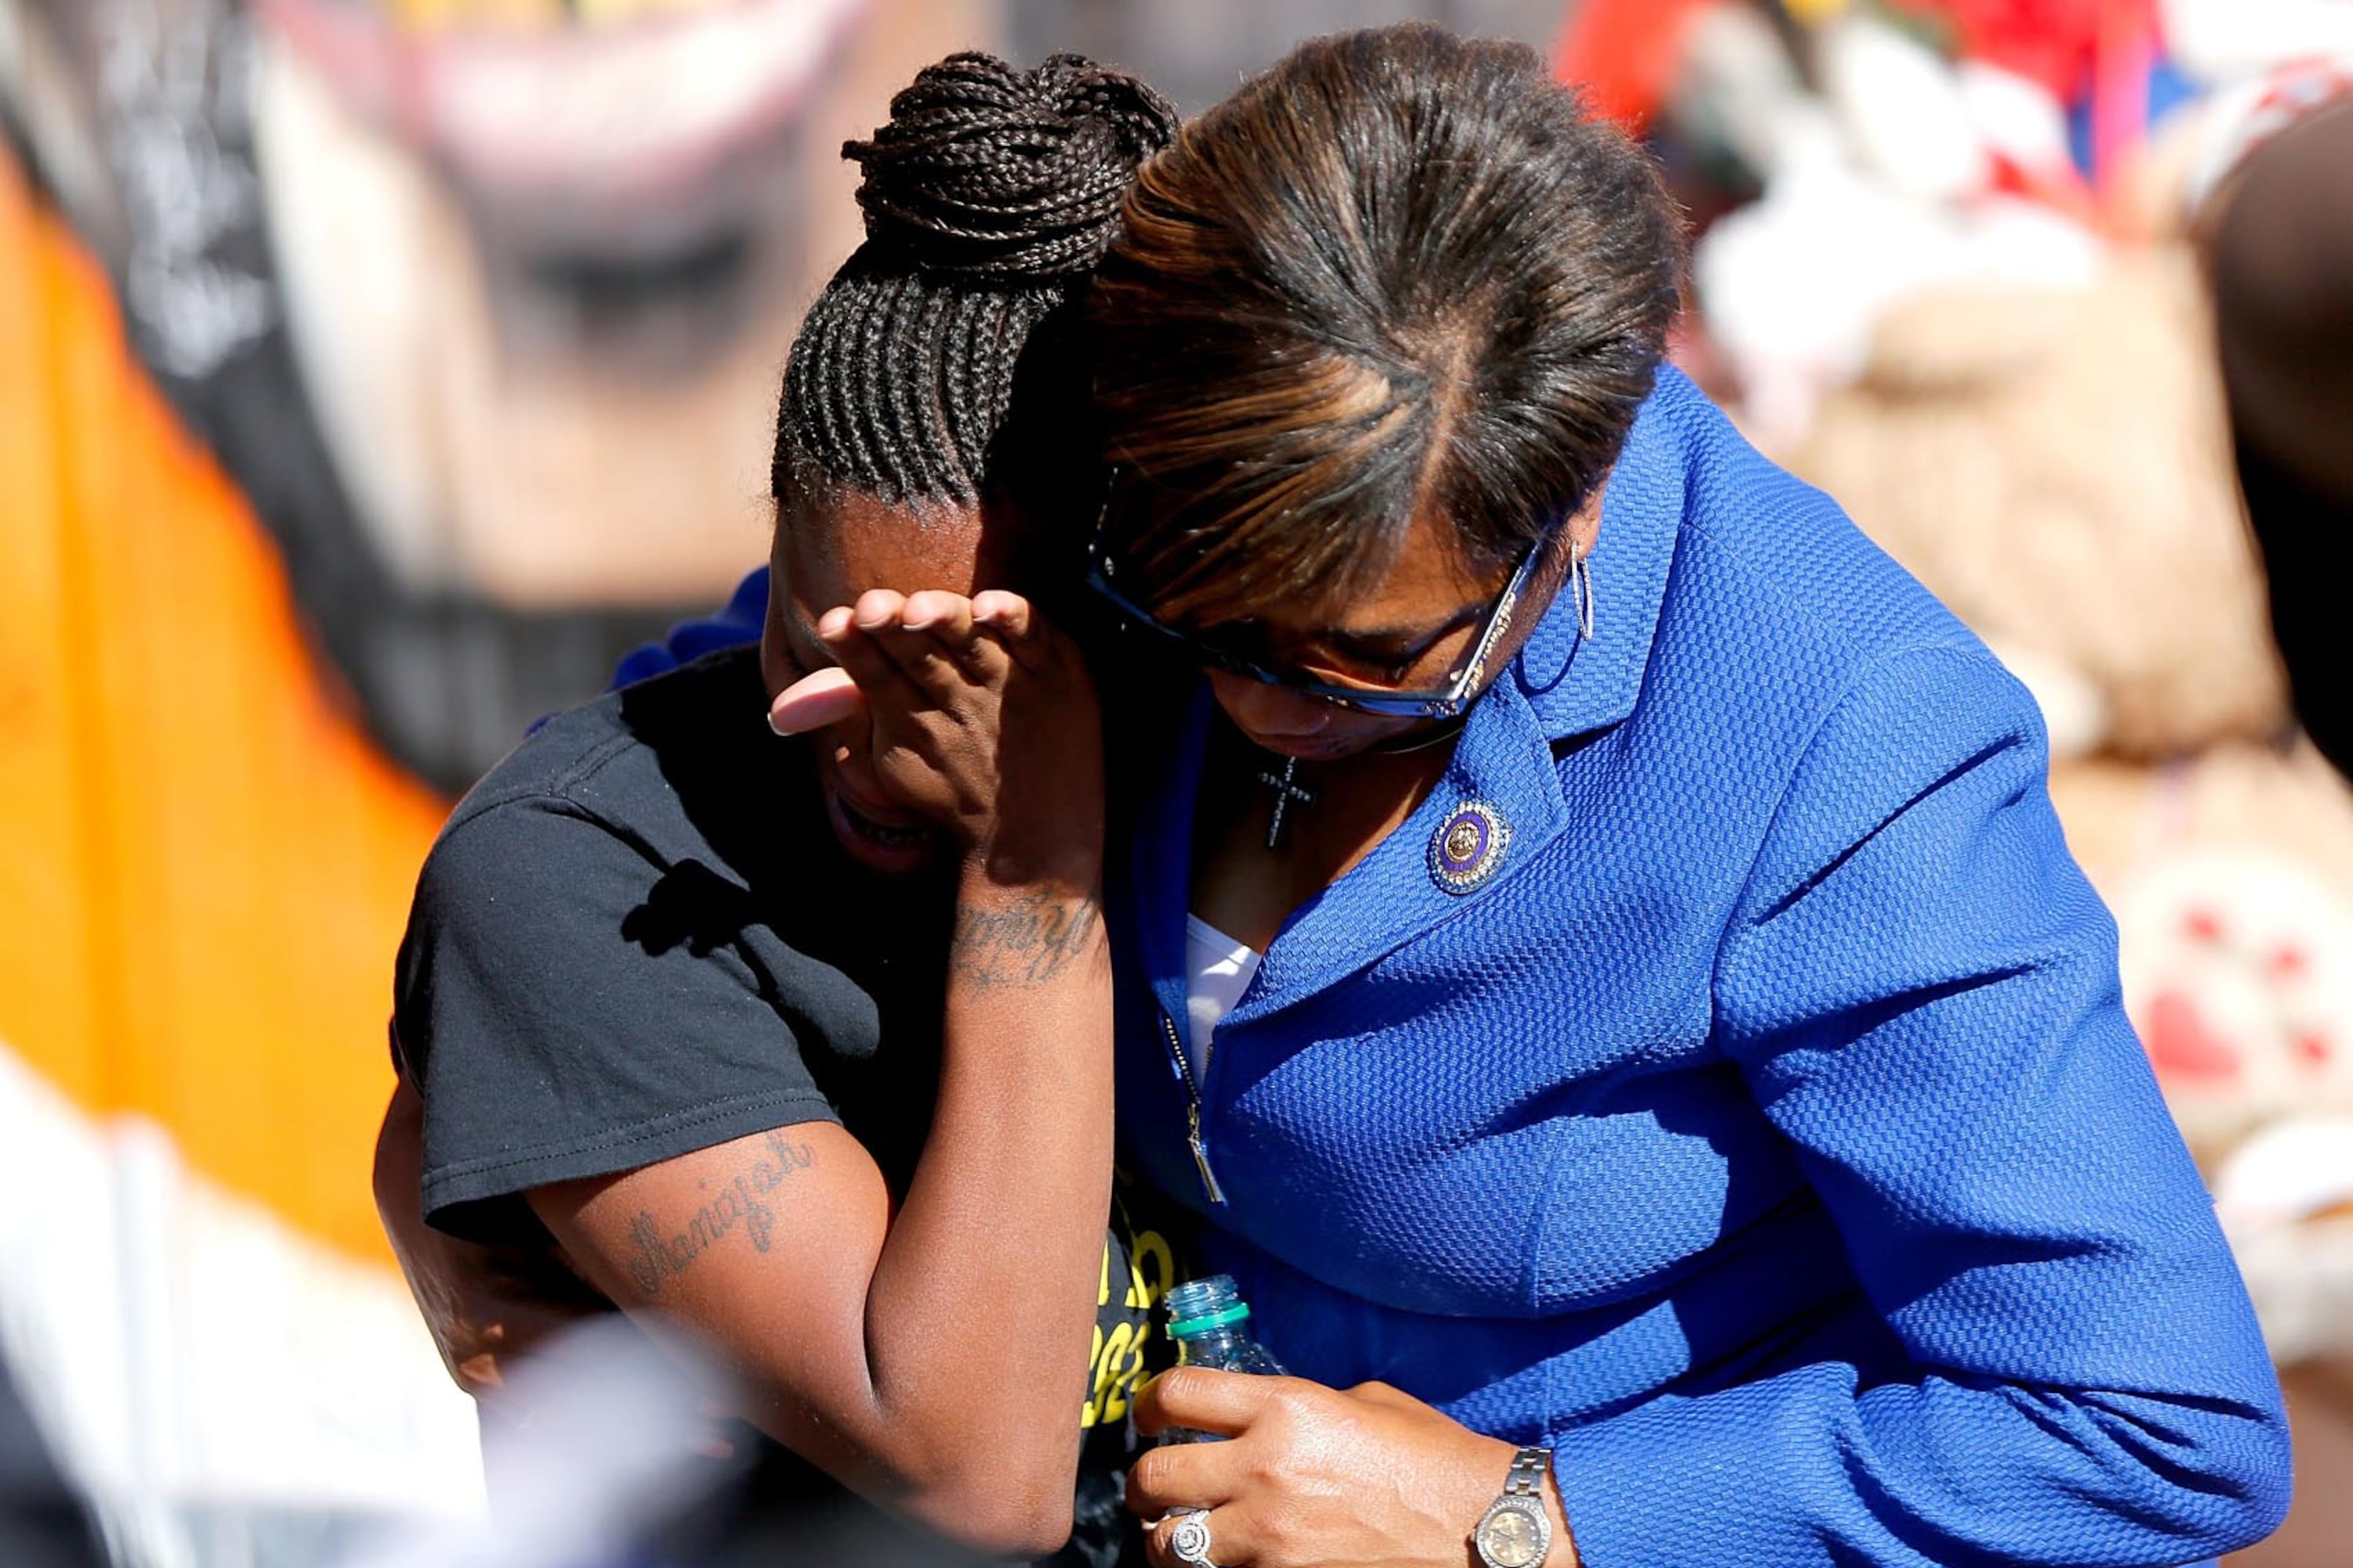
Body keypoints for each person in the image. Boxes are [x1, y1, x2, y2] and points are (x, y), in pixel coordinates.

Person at [1064, 25, 2289, 1568]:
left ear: (1574, 509)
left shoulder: (1845, 742)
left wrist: (1527, 1513)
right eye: (1201, 614)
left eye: (1369, 665)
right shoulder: (1099, 449)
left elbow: (2154, 1428)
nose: (1254, 702)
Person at [375, 51, 1180, 1567]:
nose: (866, 746)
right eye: (814, 651)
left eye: (957, 681)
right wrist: (1031, 867)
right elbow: (976, 1466)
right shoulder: (584, 877)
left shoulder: (1241, 748)